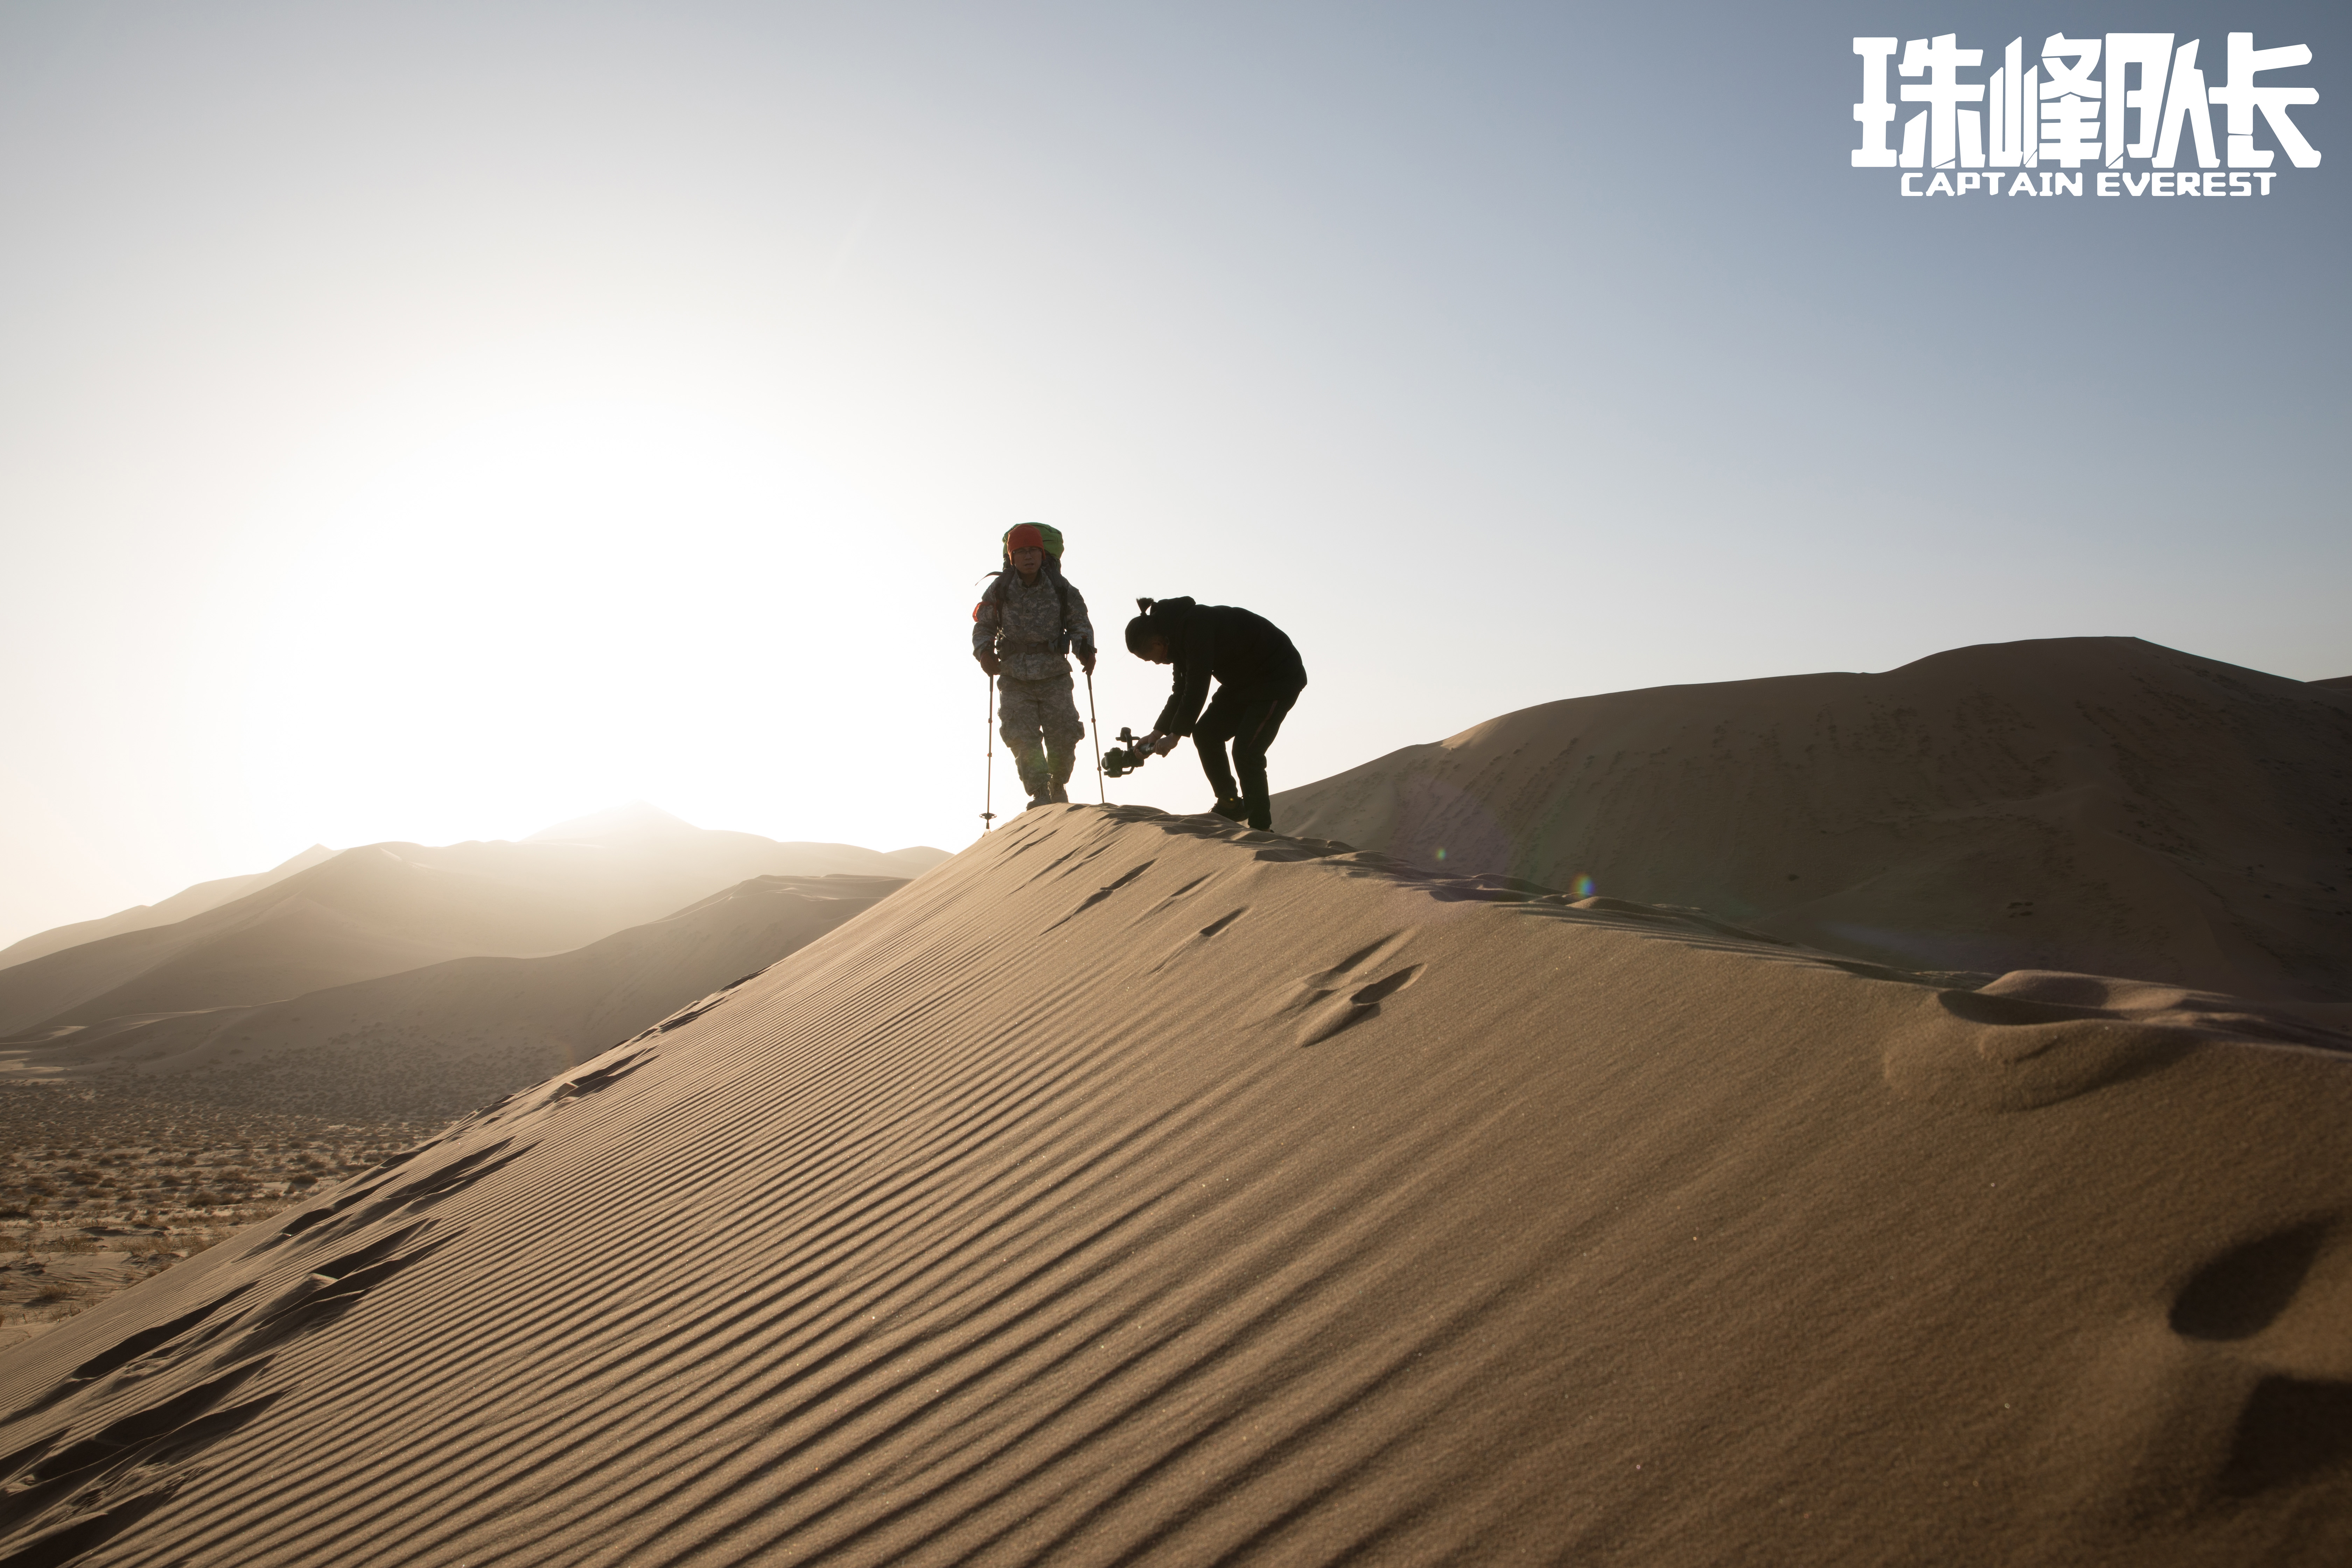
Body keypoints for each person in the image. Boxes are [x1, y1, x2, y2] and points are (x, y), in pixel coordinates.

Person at [1124, 595, 1306, 832]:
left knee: (1246, 751)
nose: (1156, 663)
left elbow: (1198, 685)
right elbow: (1180, 692)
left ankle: (1261, 828)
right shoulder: (1176, 638)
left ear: (1159, 644)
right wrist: (1157, 733)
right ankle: (1230, 804)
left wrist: (1175, 737)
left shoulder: (1194, 626)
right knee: (1206, 733)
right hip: (1242, 680)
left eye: (1151, 658)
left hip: (1277, 677)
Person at [973, 523, 1096, 810]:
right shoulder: (1000, 589)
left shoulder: (1061, 588)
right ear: (1012, 557)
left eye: (1034, 551)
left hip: (1054, 674)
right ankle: (1040, 792)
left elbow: (1079, 623)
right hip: (1014, 676)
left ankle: (1058, 784)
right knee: (1021, 736)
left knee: (1064, 733)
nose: (1028, 557)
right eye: (1021, 552)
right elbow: (984, 626)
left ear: (1043, 554)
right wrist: (984, 653)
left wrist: (1085, 648)